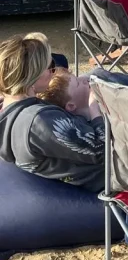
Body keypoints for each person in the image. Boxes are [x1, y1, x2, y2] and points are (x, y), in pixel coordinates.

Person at [0, 34, 105, 191]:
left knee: (98, 74)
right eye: (49, 66)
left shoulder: (10, 111)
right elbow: (103, 150)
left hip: (67, 183)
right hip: (109, 181)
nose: (53, 70)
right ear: (32, 78)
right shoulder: (38, 121)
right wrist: (94, 108)